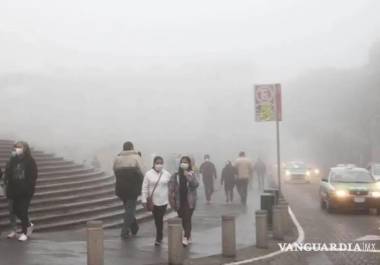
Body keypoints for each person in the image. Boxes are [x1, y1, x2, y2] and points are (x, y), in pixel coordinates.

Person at [4, 141, 38, 241]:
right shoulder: (13, 159)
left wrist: (27, 186)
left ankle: (24, 233)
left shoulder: (30, 160)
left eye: (20, 147)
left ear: (25, 148)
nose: (17, 149)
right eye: (16, 147)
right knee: (15, 209)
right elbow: (8, 172)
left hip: (25, 190)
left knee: (23, 210)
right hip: (14, 189)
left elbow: (33, 175)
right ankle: (28, 224)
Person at [113, 141, 144, 239]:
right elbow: (143, 171)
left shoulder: (117, 158)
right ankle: (124, 230)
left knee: (128, 208)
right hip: (132, 187)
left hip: (121, 187)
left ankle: (134, 227)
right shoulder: (136, 157)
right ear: (132, 147)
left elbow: (114, 170)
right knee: (130, 209)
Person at [169, 156, 199, 247]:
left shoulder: (192, 173)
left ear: (189, 164)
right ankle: (188, 234)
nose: (184, 164)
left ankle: (185, 237)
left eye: (186, 162)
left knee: (187, 218)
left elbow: (196, 184)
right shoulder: (176, 175)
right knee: (182, 219)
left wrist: (188, 177)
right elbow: (171, 187)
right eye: (182, 162)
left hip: (189, 201)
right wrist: (171, 197)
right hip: (179, 200)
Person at [141, 156, 171, 246]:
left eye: (161, 163)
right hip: (153, 201)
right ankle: (159, 236)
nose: (159, 165)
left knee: (160, 218)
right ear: (154, 164)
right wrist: (144, 199)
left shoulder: (166, 174)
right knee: (158, 219)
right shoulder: (148, 174)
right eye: (157, 163)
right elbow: (144, 188)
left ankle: (159, 235)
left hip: (164, 201)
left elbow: (172, 185)